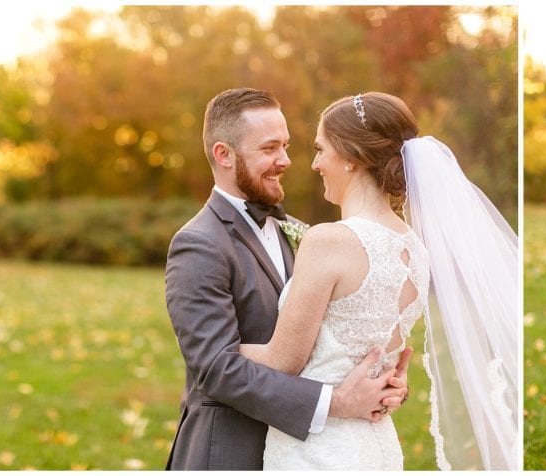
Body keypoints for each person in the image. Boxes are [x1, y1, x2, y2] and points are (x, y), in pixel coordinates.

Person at [238, 92, 520, 470]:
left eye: (321, 150)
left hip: (318, 451)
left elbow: (282, 361)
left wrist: (208, 348)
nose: (316, 163)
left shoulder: (329, 241)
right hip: (376, 445)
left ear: (351, 156)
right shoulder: (415, 250)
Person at [163, 88, 411, 471]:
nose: (287, 161)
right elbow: (215, 369)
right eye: (269, 148)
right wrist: (339, 401)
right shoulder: (198, 245)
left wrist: (381, 385)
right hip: (233, 451)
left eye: (287, 146)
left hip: (319, 450)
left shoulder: (301, 234)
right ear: (223, 155)